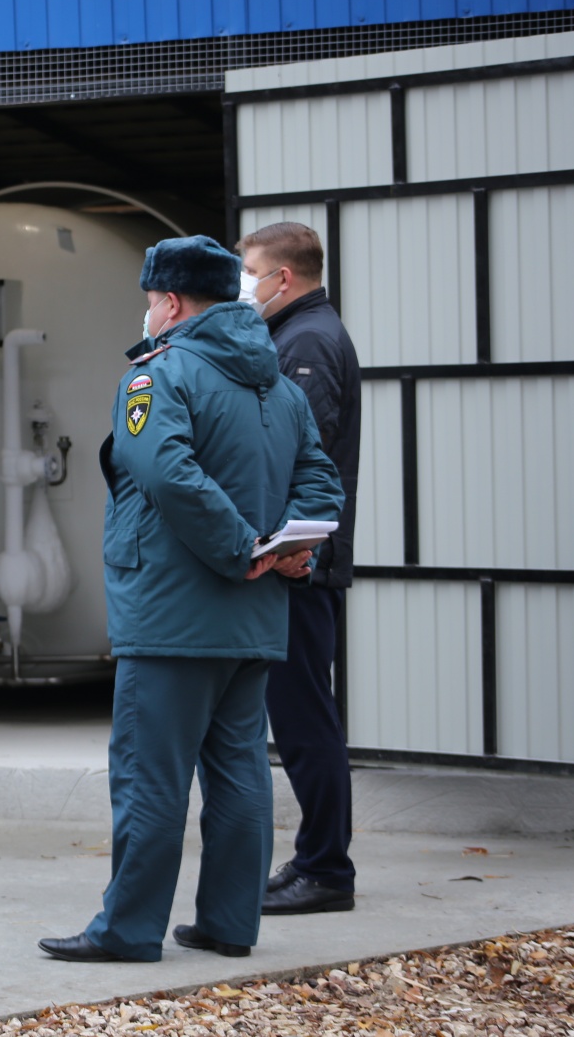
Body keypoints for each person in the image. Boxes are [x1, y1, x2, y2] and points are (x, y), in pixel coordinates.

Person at [38, 235, 343, 964]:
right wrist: (290, 550)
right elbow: (322, 483)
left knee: (151, 775)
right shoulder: (279, 386)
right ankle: (231, 922)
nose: (146, 313)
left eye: (150, 300)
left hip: (171, 614)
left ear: (171, 302)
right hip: (256, 615)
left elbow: (163, 469)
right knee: (239, 771)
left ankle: (129, 928)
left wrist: (240, 547)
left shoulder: (158, 376)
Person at [237, 222, 363, 916]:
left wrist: (285, 545)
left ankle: (327, 869)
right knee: (302, 715)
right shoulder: (297, 334)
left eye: (248, 271)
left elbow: (297, 453)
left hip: (301, 564)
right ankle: (315, 856)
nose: (242, 285)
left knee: (306, 717)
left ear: (281, 276)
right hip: (298, 559)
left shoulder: (306, 341)